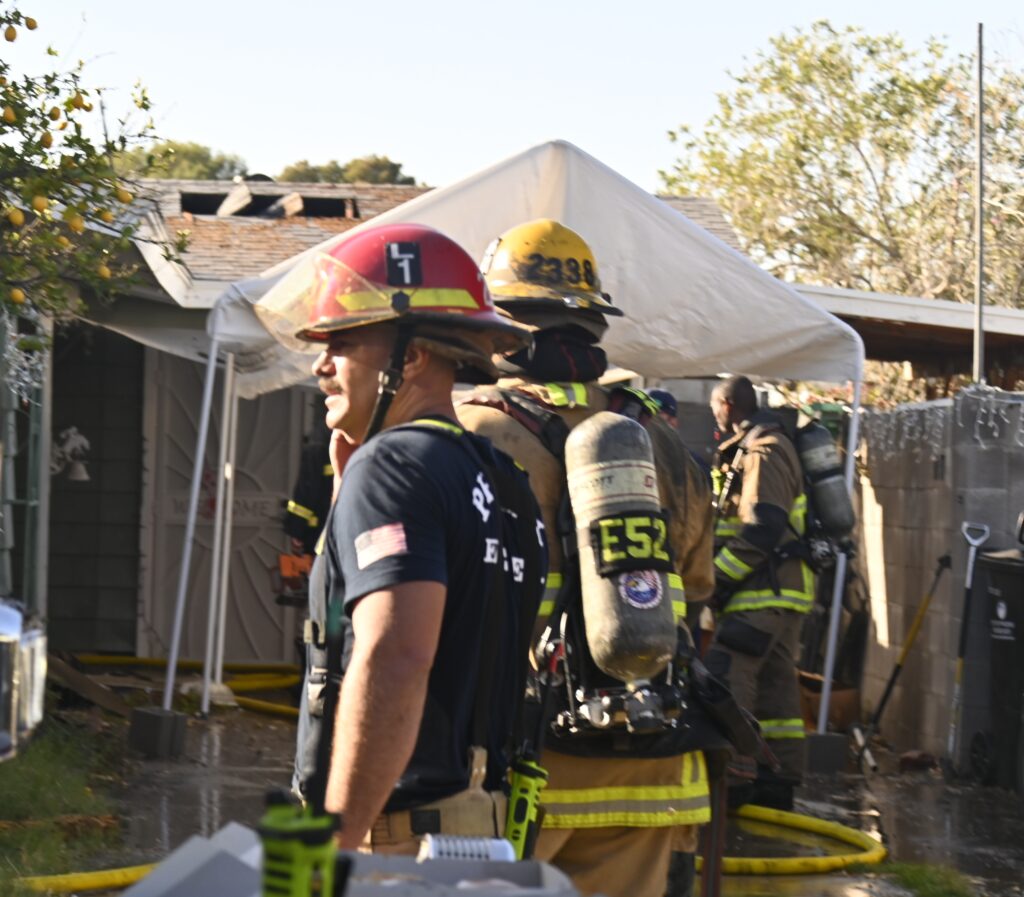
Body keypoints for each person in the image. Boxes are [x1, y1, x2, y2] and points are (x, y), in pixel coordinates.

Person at [257, 222, 546, 852]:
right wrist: (347, 504)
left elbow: (396, 655)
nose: (320, 366)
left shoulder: (392, 466)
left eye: (341, 343)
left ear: (410, 358)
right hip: (483, 834)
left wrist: (331, 846)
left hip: (390, 840)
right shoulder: (507, 481)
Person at [457, 219, 715, 897]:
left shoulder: (471, 432)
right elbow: (697, 585)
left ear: (501, 329)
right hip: (650, 758)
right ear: (593, 325)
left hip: (519, 759)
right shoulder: (658, 440)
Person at [704, 374, 812, 810]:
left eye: (715, 406)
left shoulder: (763, 450)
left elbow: (763, 526)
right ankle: (777, 782)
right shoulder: (757, 447)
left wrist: (716, 579)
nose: (714, 414)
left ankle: (735, 776)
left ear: (728, 405)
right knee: (775, 687)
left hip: (762, 590)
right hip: (779, 590)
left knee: (726, 672)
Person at [284, 419, 333, 557]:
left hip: (321, 533)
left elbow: (308, 489)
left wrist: (297, 530)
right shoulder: (357, 434)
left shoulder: (318, 440)